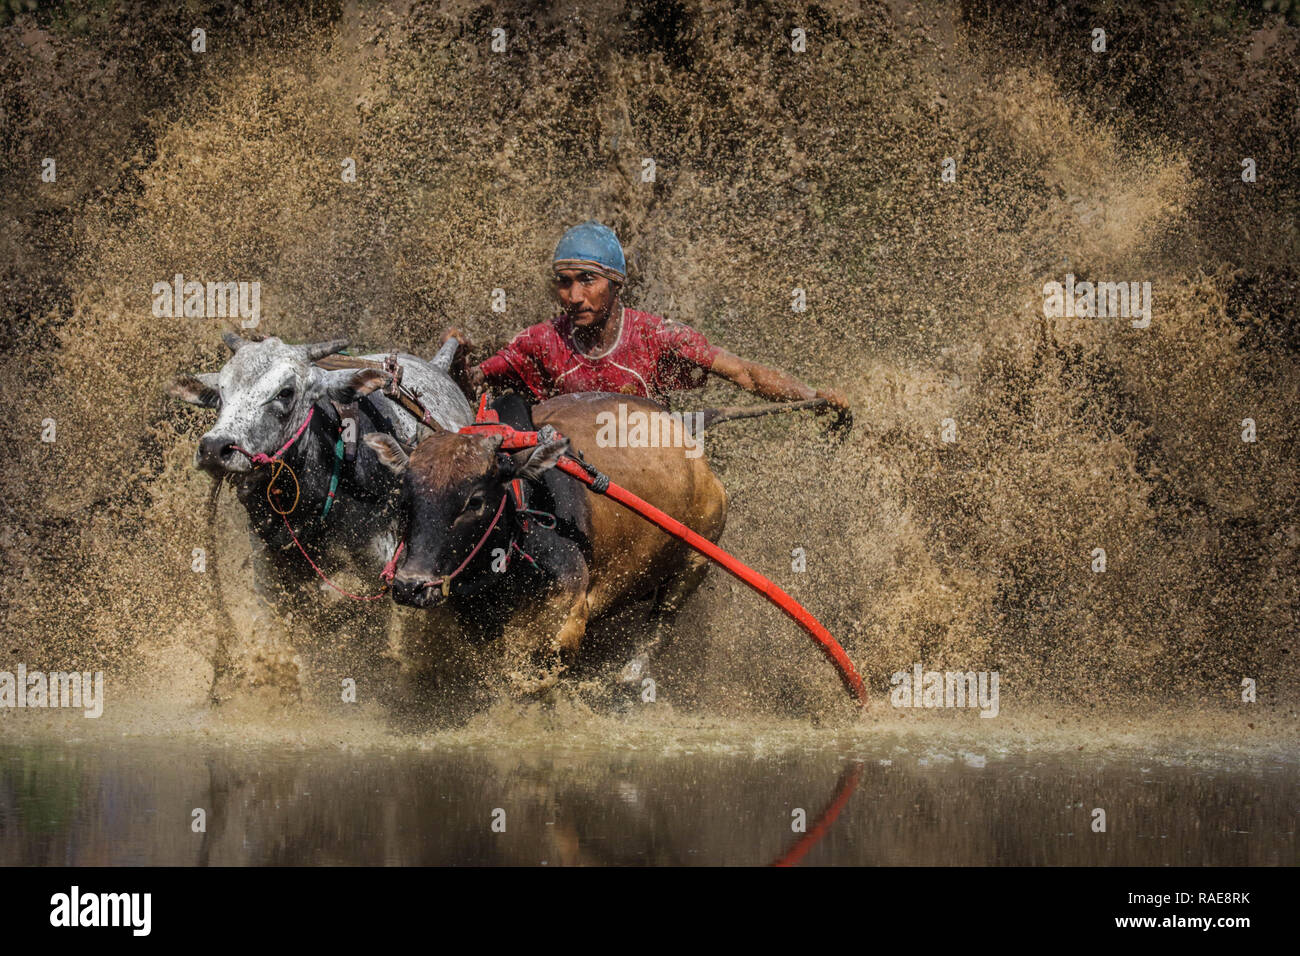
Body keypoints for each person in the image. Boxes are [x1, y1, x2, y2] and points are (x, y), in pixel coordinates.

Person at [443, 220, 851, 420]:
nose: (575, 296)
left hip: (646, 469)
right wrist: (459, 364)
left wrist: (811, 396)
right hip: (571, 479)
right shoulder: (538, 341)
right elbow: (473, 385)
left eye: (588, 280)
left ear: (616, 282)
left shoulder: (658, 336)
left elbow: (744, 373)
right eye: (564, 283)